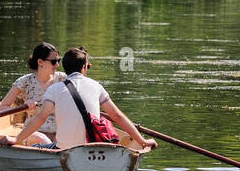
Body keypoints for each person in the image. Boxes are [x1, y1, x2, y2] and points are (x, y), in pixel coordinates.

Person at [15, 47, 157, 151]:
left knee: (35, 147)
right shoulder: (96, 86)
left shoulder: (54, 89)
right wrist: (142, 141)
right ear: (84, 68)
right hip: (92, 146)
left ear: (65, 69)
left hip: (63, 148)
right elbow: (117, 116)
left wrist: (16, 140)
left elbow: (41, 117)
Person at [0, 43, 60, 147]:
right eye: (54, 61)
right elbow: (2, 108)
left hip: (59, 131)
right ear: (40, 62)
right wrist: (24, 108)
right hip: (33, 132)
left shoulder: (63, 80)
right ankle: (53, 150)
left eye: (58, 61)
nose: (57, 65)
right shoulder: (24, 81)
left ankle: (53, 149)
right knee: (41, 139)